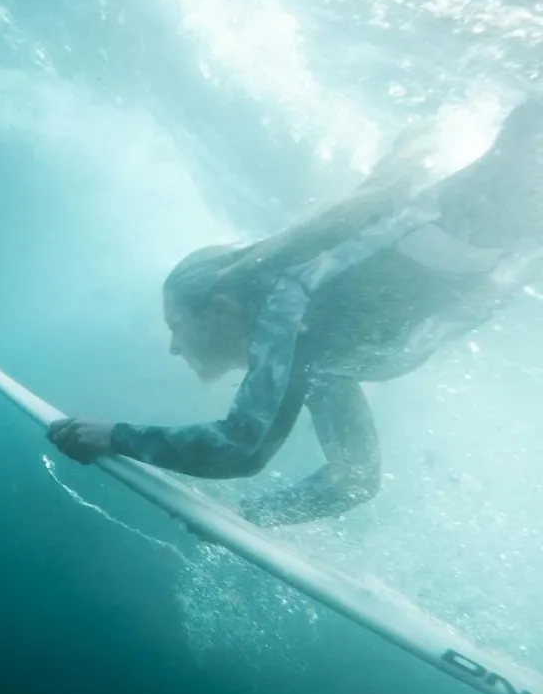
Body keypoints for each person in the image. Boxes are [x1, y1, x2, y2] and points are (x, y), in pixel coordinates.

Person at [48, 97, 543, 527]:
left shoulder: (283, 304)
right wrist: (258, 518)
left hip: (466, 226)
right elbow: (356, 480)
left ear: (219, 307)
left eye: (176, 326)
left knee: (527, 139)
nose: (174, 346)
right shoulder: (323, 360)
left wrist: (115, 436)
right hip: (498, 250)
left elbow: (242, 448)